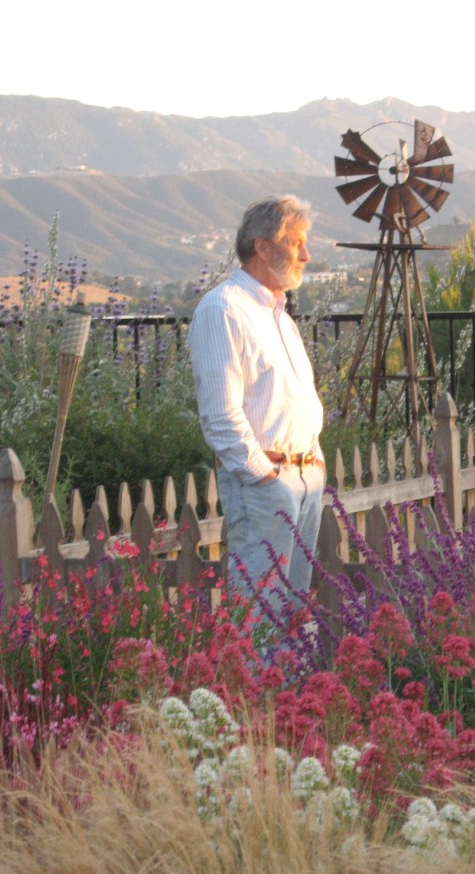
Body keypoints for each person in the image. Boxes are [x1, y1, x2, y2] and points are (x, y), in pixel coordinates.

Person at [188, 195, 325, 618]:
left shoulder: (279, 315)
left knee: (293, 617)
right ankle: (256, 689)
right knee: (261, 621)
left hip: (305, 480)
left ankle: (290, 688)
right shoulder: (223, 309)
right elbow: (221, 415)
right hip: (268, 485)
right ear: (262, 246)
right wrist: (266, 478)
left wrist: (314, 465)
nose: (306, 254)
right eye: (296, 242)